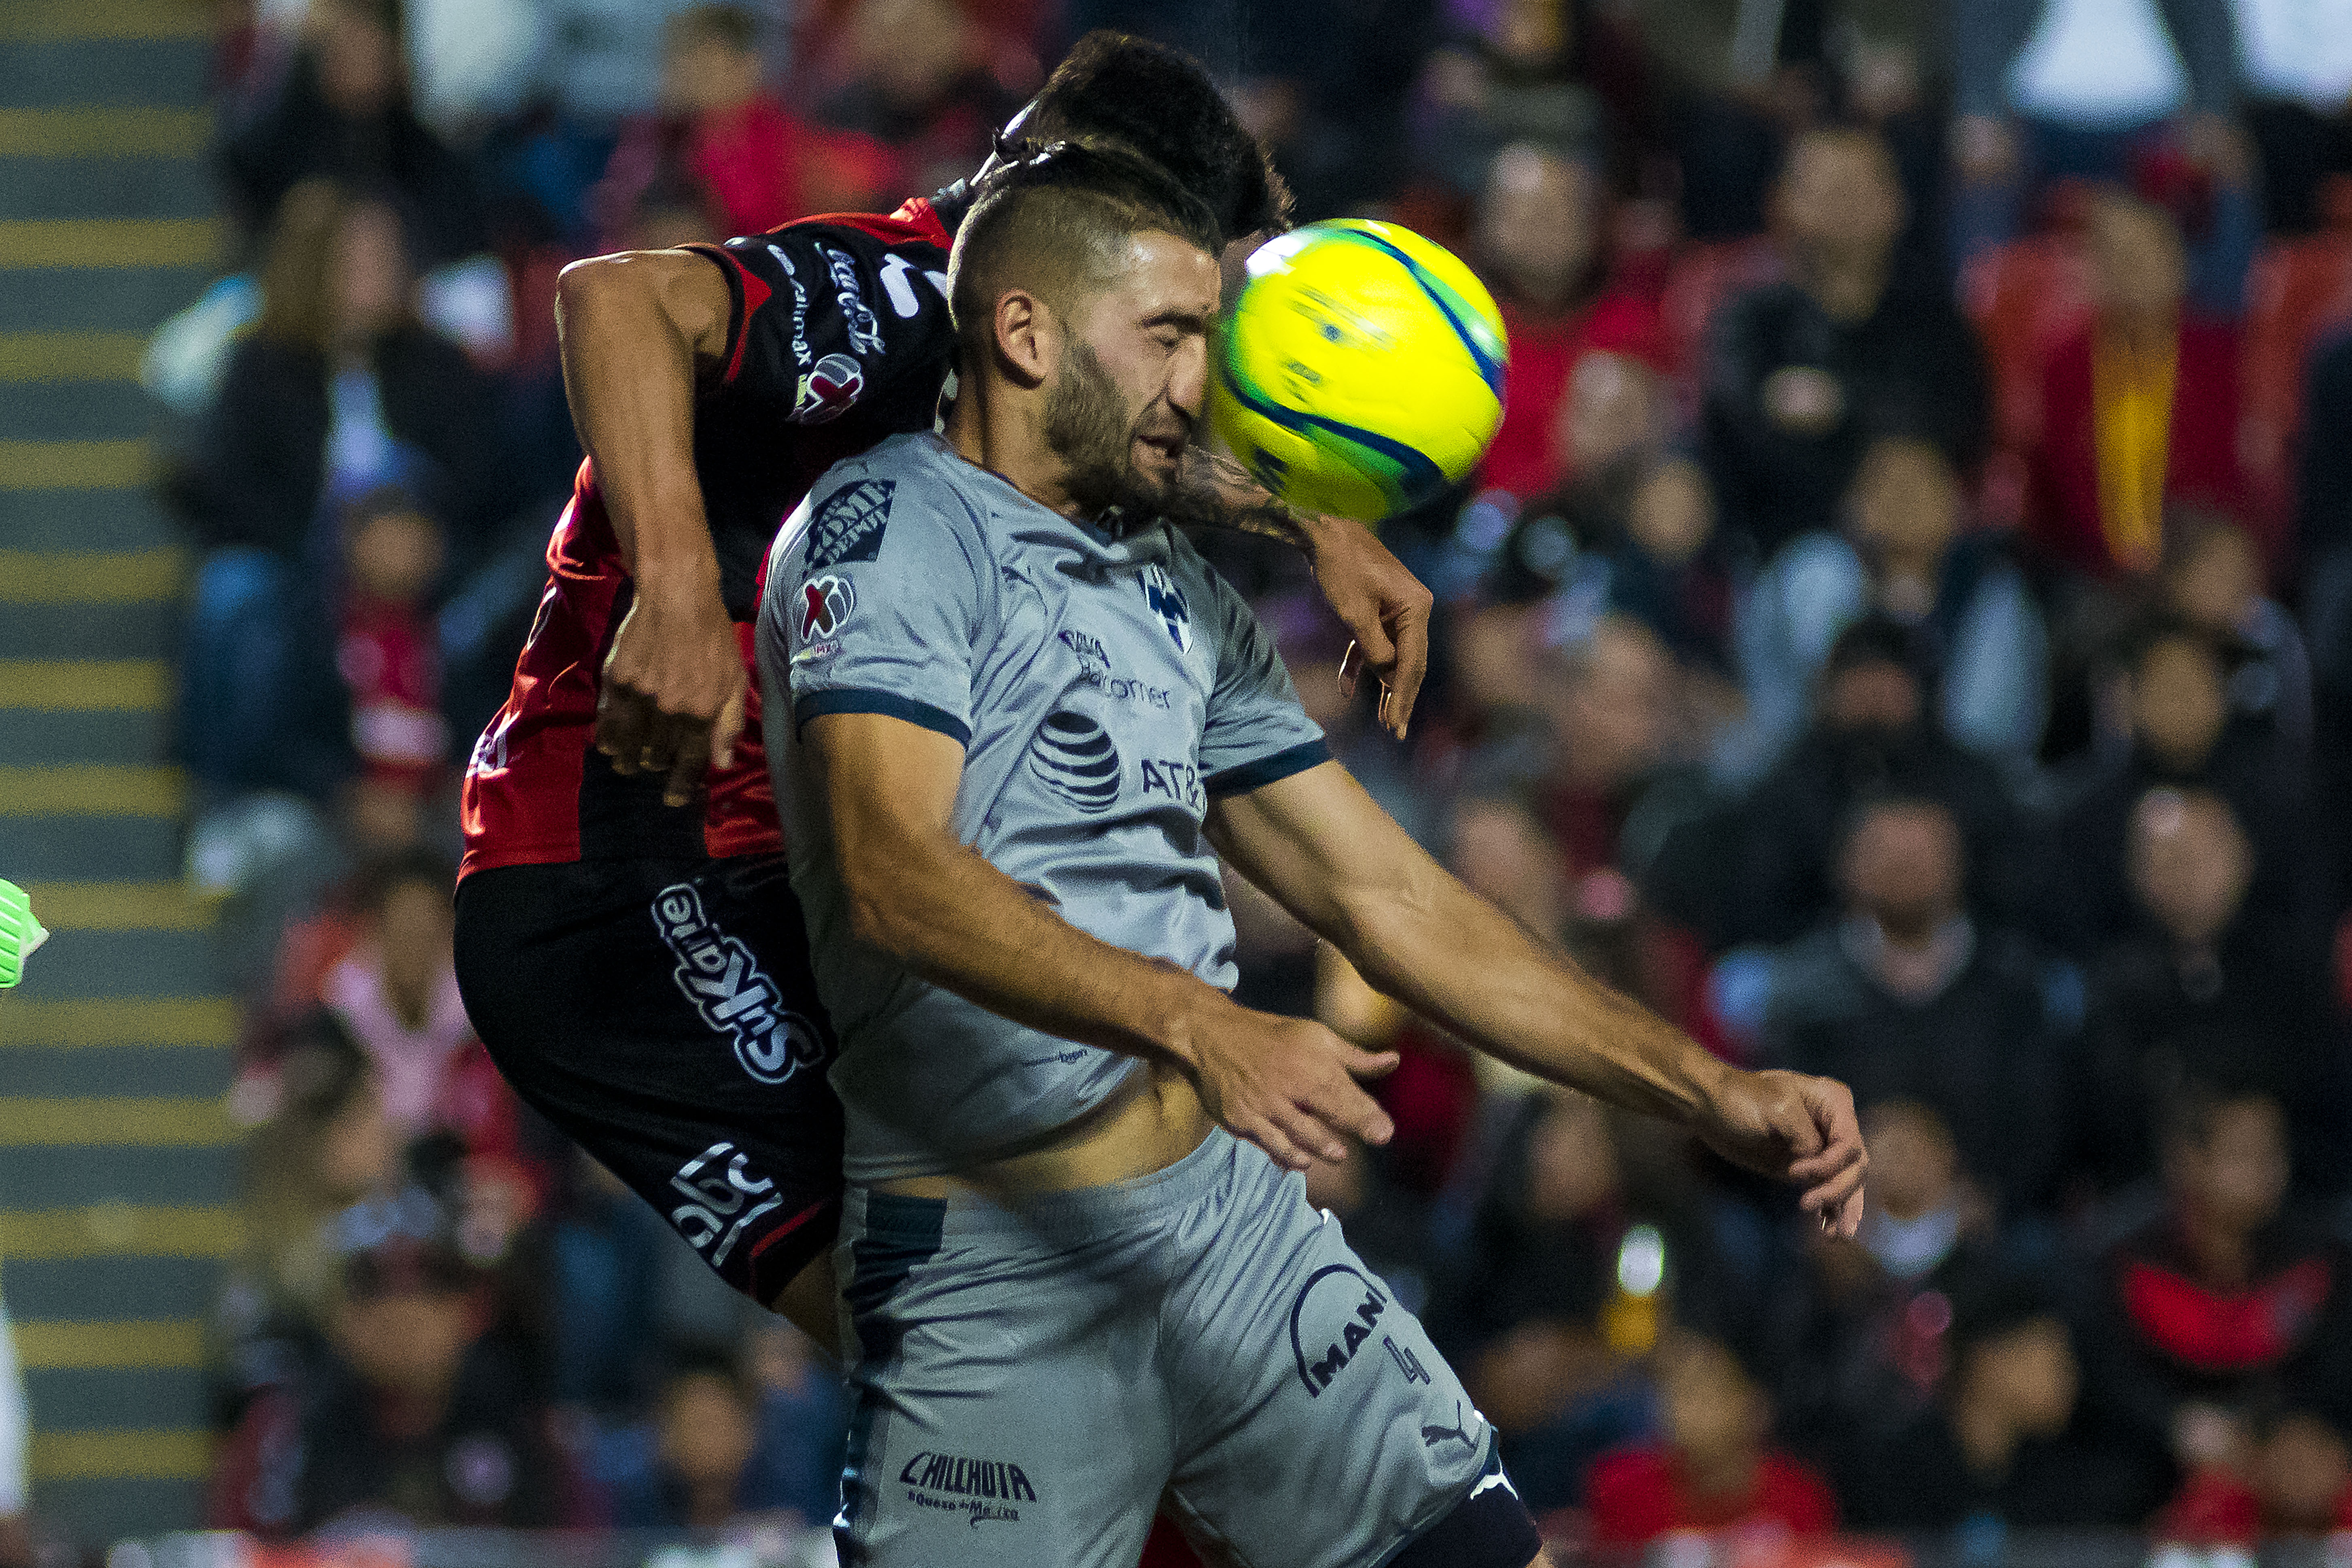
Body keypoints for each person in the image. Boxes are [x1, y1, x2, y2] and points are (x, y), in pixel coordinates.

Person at [760, 138, 1864, 1568]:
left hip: (1230, 1235)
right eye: (1164, 336)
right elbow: (890, 874)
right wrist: (1202, 1023)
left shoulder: (1177, 592)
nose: (1196, 386)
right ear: (1023, 333)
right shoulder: (888, 533)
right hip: (995, 1268)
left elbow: (1386, 894)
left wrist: (1702, 1085)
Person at [454, 32, 1437, 1337]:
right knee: (959, 1340)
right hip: (621, 880)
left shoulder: (1024, 366)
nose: (1183, 350)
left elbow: (1147, 454)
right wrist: (679, 591)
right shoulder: (903, 289)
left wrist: (1308, 519)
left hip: (772, 876)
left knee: (1078, 1331)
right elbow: (615, 299)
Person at [1760, 797, 2068, 1213]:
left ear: (1958, 863)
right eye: (1888, 856)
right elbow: (1778, 1130)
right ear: (1847, 867)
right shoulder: (1803, 993)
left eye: (1922, 855)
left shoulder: (2010, 986)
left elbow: (2040, 1122)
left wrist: (1989, 1201)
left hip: (1989, 1218)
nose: (1906, 871)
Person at [1701, 126, 1988, 563]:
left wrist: (1836, 406)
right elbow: (1737, 431)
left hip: (1926, 547)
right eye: (1827, 189)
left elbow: (1958, 426)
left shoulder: (1935, 320)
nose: (1844, 205)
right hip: (1781, 554)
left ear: (1896, 203)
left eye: (1860, 187)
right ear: (1784, 203)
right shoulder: (1752, 320)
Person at [1584, 1331, 1838, 1544]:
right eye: (1678, 1392)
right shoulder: (1621, 1492)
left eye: (1709, 1391)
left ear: (1754, 1406)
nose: (1686, 1410)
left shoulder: (1801, 1500)